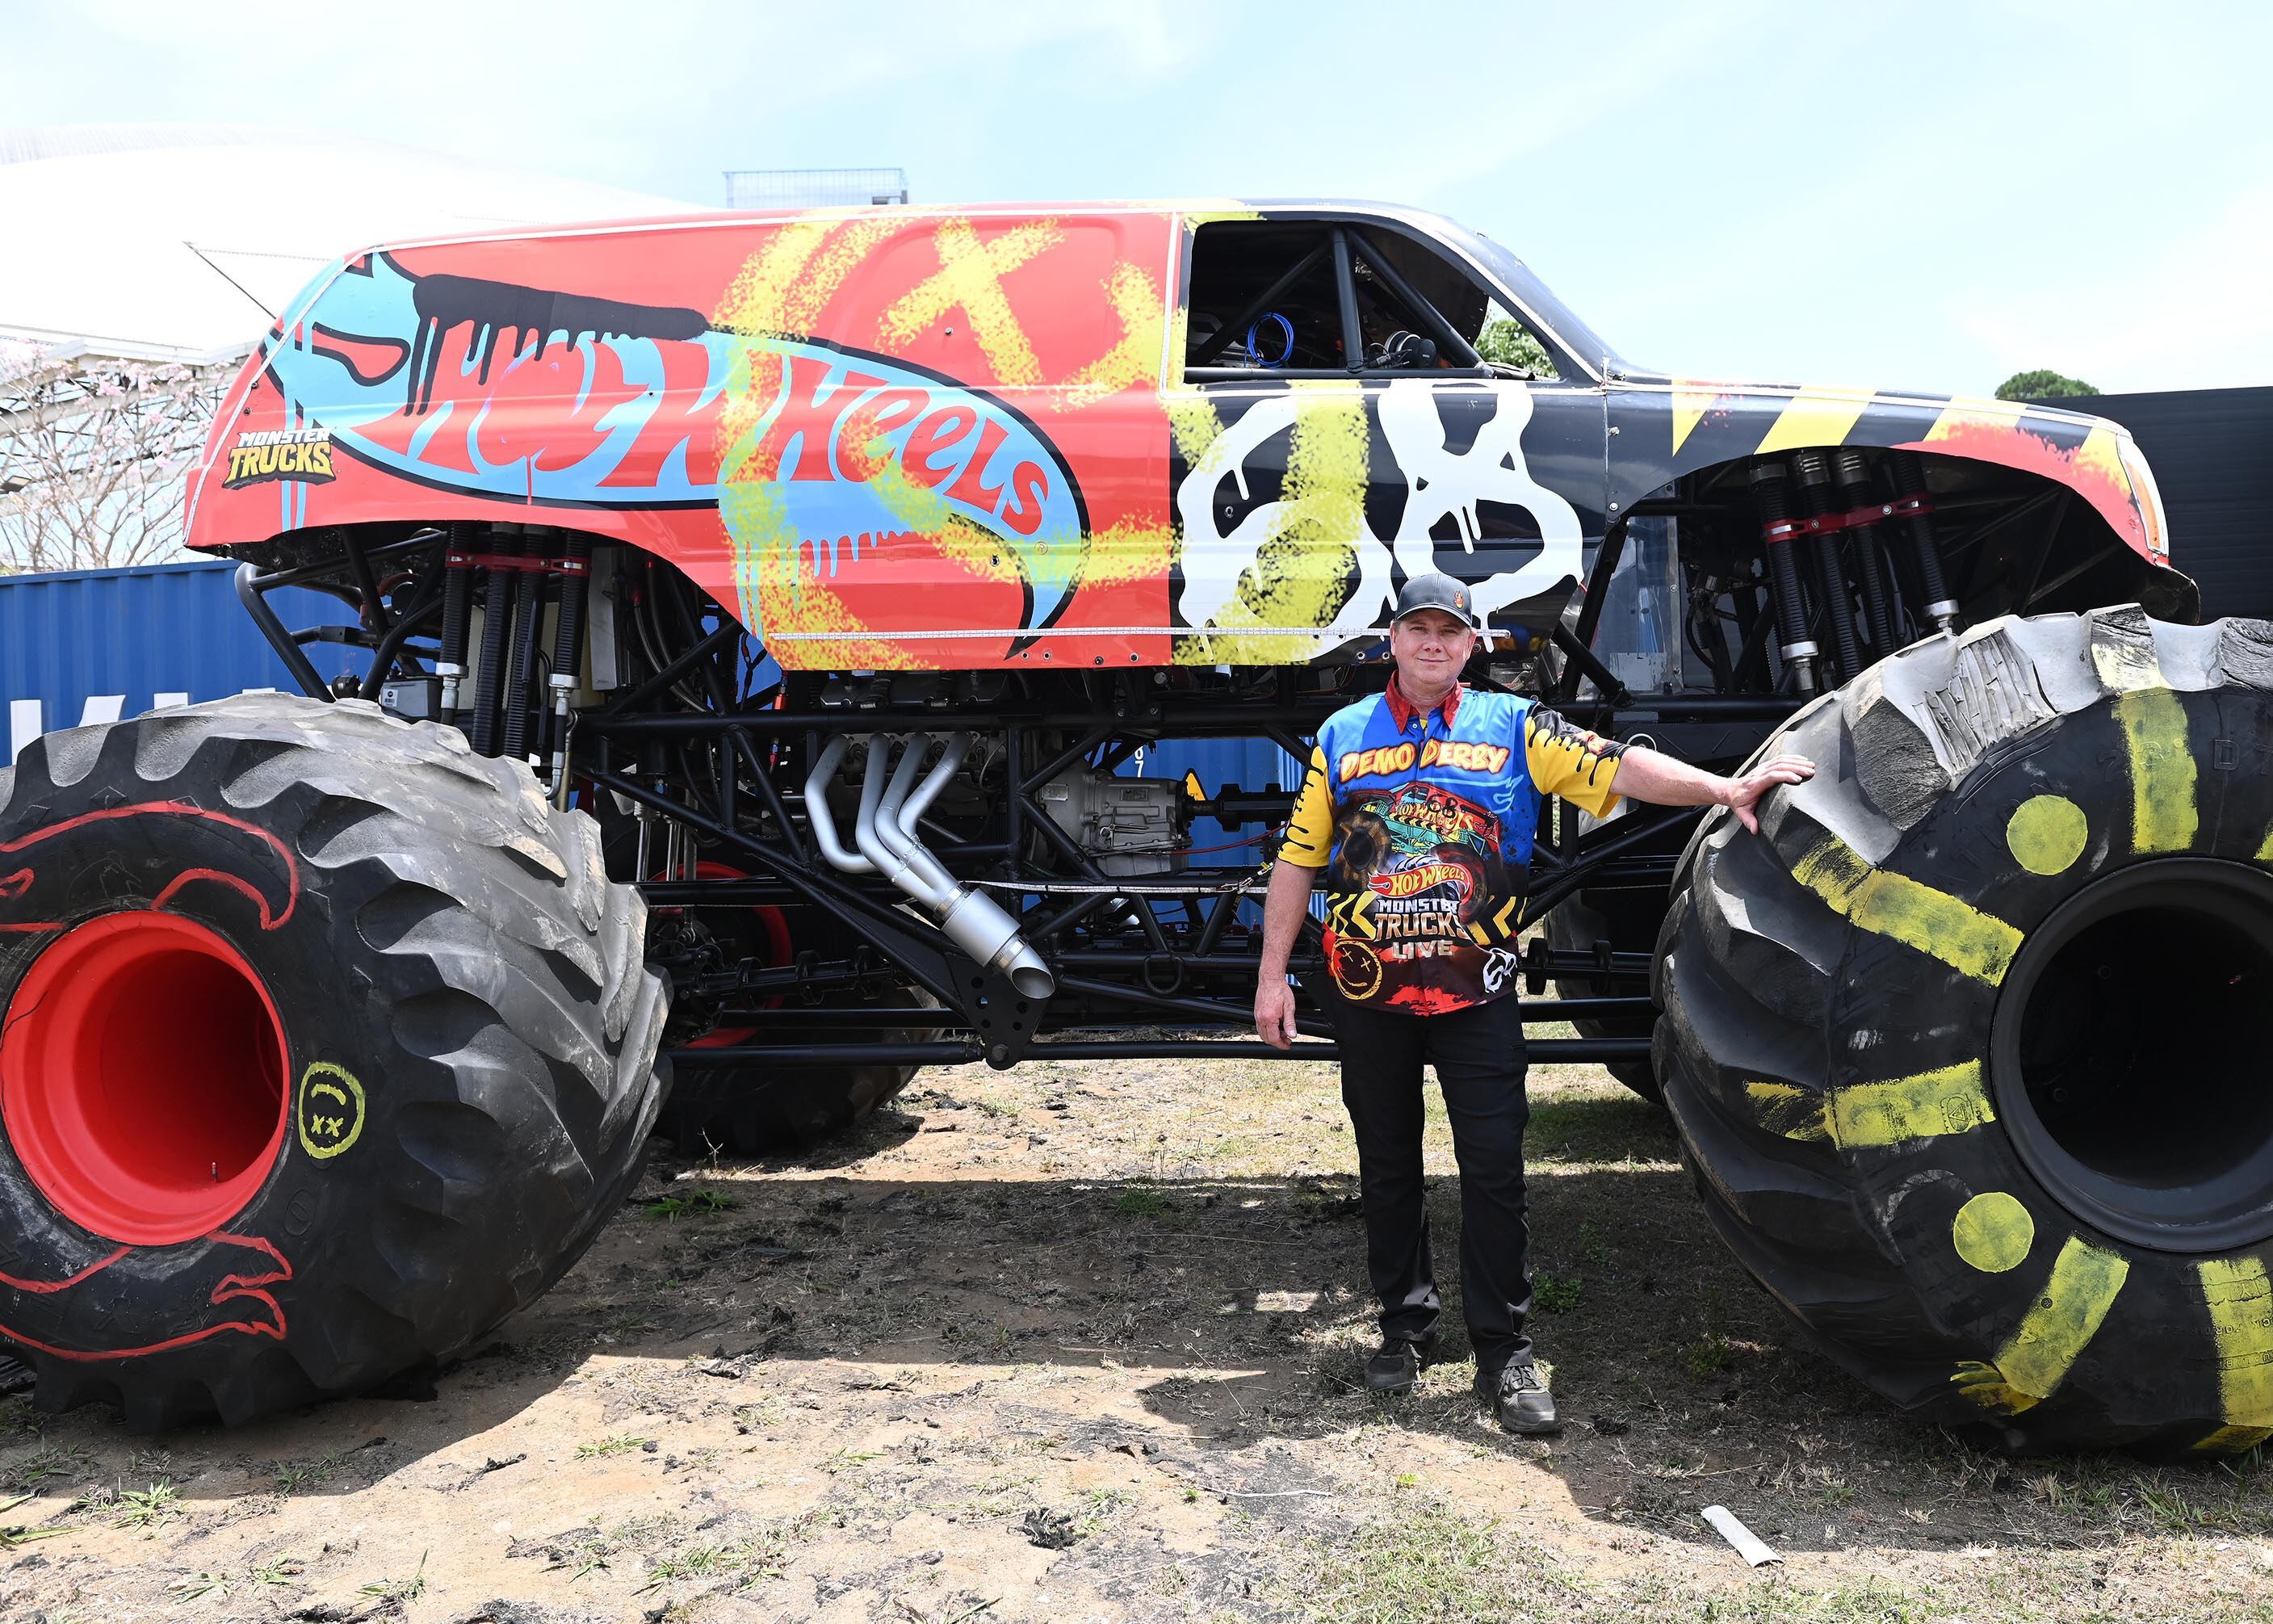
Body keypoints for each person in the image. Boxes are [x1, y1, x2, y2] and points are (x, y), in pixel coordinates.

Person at [1252, 573, 1814, 1433]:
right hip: (1367, 998)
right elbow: (1297, 860)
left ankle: (1503, 1353)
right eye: (1417, 630)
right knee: (1388, 1164)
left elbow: (1617, 765)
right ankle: (1402, 1331)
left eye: (1449, 631)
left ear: (1471, 644)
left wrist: (1723, 787)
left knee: (1494, 1173)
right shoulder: (1340, 735)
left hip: (1475, 996)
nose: (1432, 643)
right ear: (1391, 641)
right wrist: (1270, 976)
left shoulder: (1512, 726)